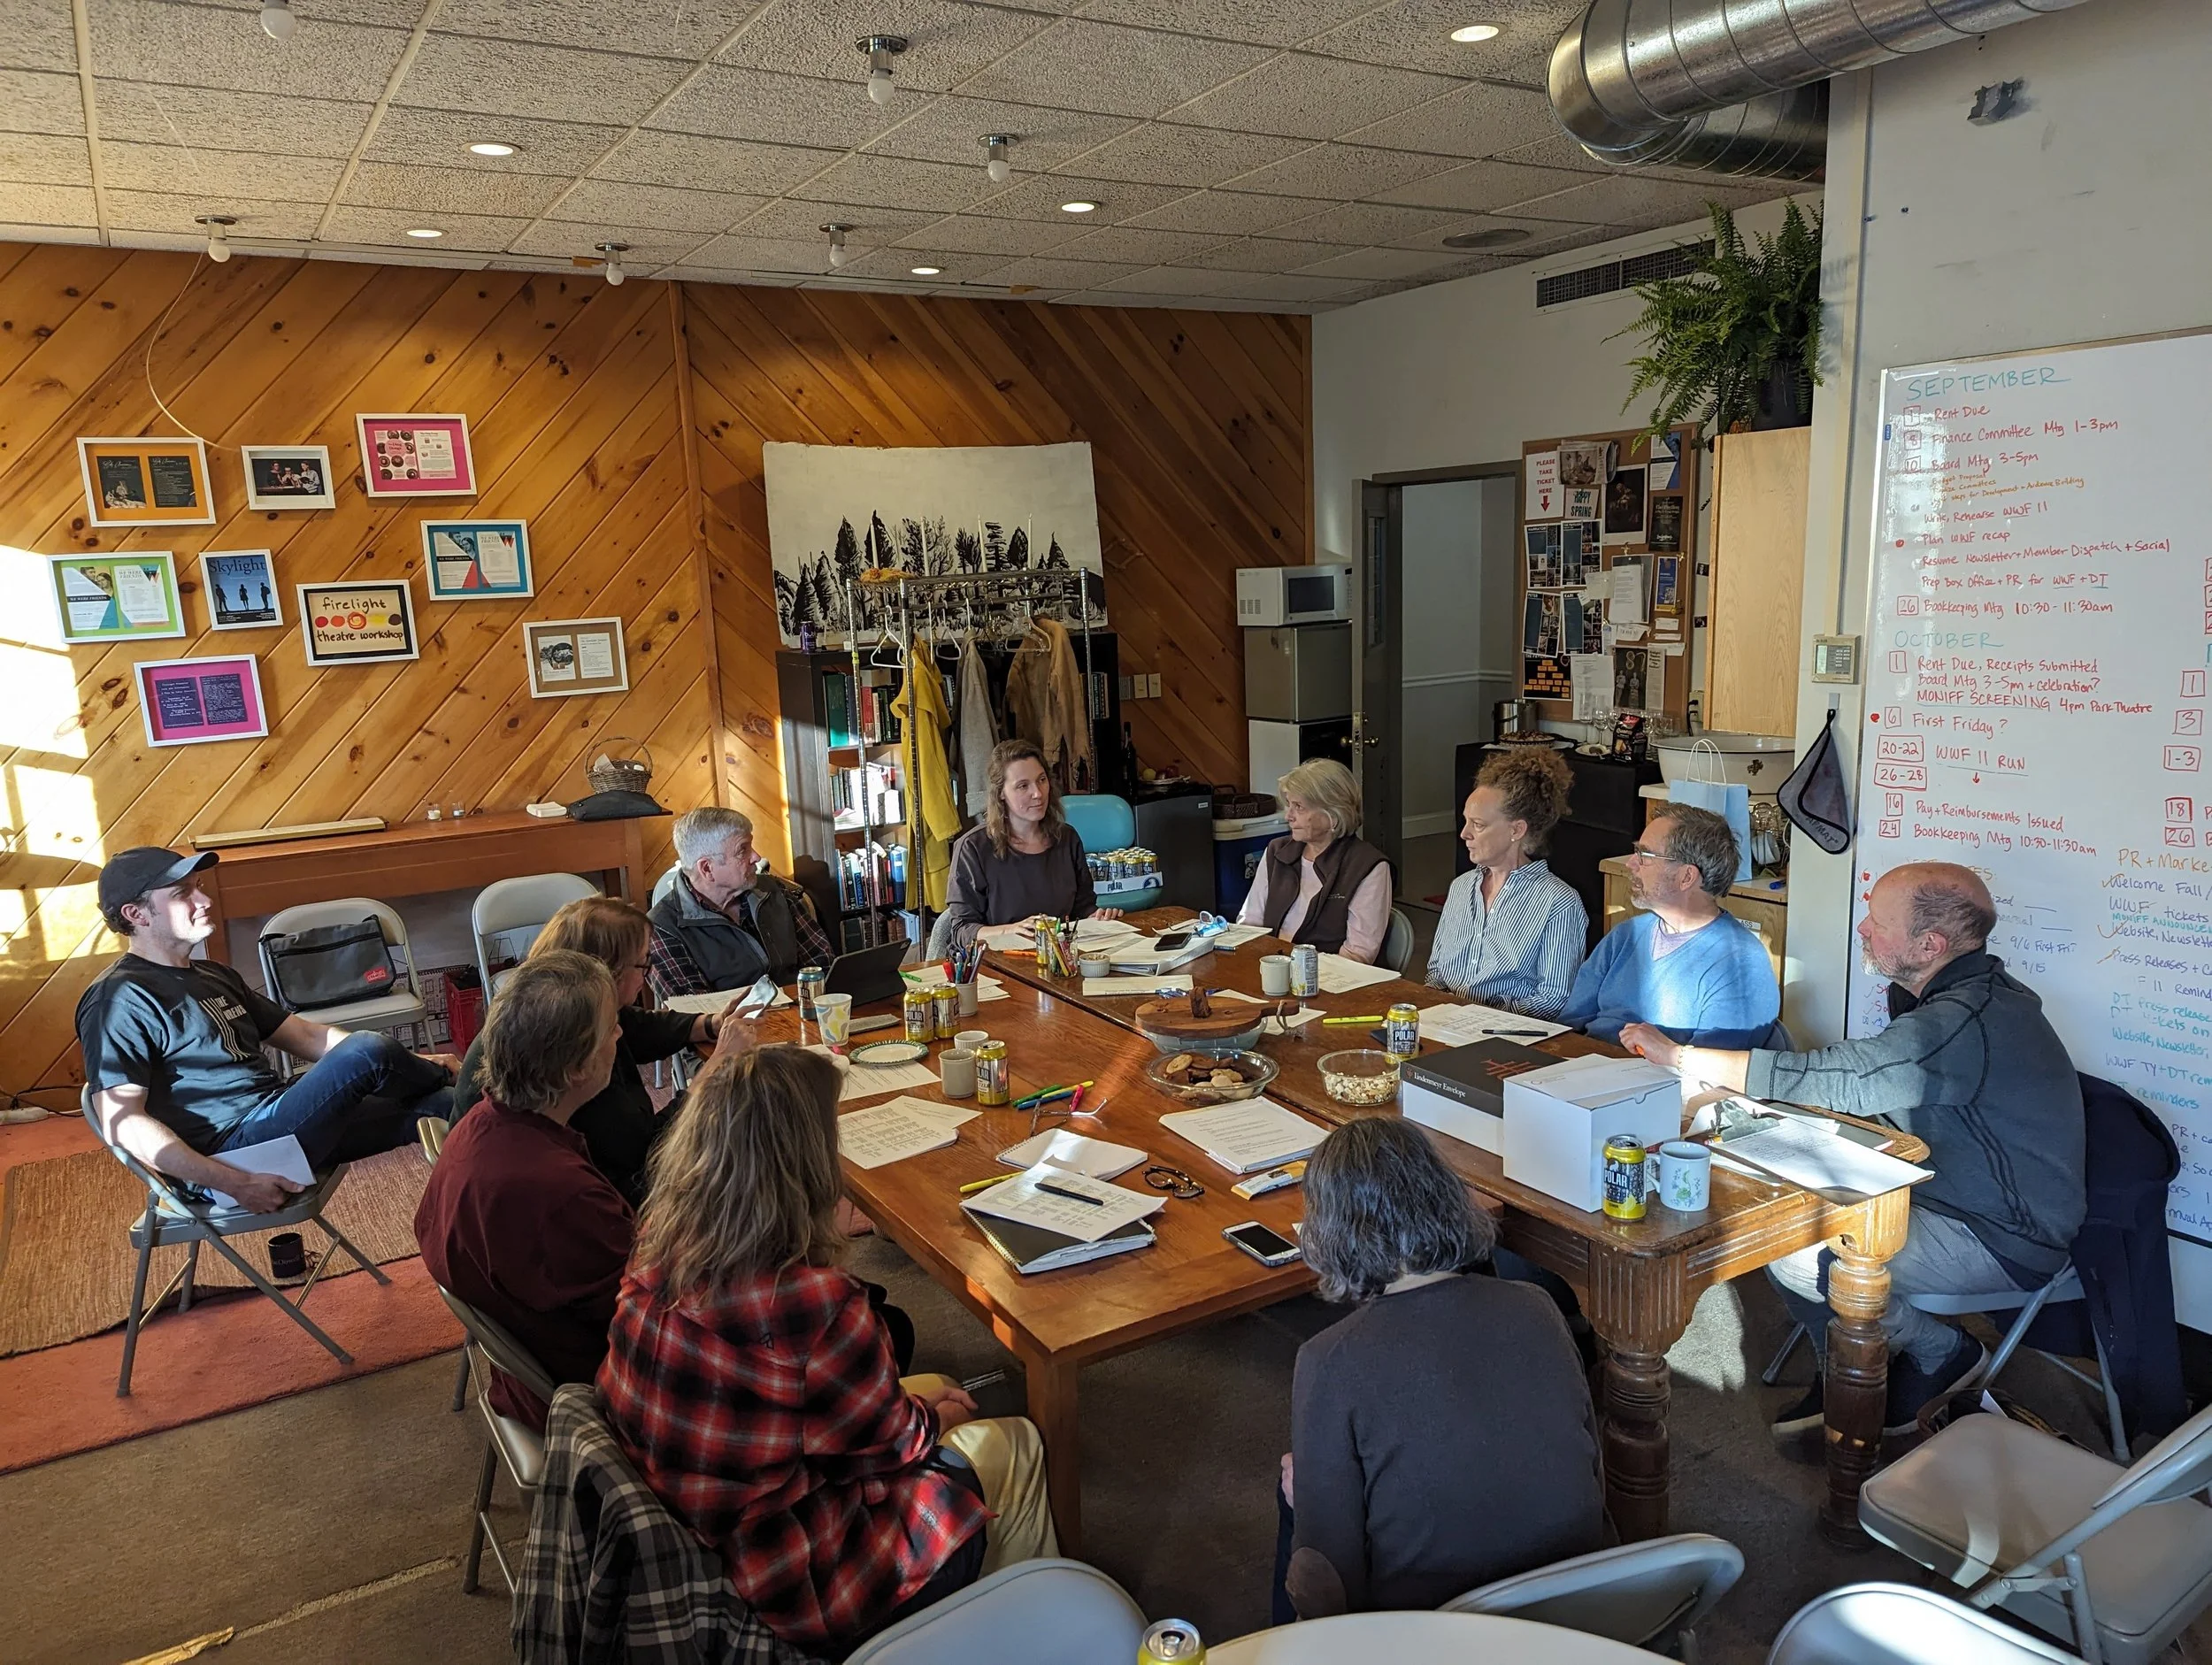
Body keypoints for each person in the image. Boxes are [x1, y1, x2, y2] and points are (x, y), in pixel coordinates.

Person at [598, 1046, 1056, 1653]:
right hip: (798, 1583)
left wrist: (918, 1412)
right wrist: (932, 1421)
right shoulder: (815, 1302)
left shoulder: (657, 1249)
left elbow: (841, 1422)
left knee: (935, 1385)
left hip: (702, 1542)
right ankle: (1020, 1632)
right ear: (808, 1161)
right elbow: (892, 1446)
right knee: (1014, 1442)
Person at [1622, 862, 2088, 1443]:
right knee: (1788, 1192)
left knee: (1799, 1248)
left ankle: (1932, 1349)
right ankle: (1849, 1365)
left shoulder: (1964, 1018)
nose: (1863, 929)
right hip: (1948, 1192)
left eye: (1878, 921)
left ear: (1930, 945)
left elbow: (1843, 1078)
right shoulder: (1964, 994)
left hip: (2001, 1234)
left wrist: (1681, 1058)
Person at [1274, 1118, 1604, 1622]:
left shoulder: (1328, 1359)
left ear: (1329, 1232)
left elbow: (1328, 1588)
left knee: (1296, 1499)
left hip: (1435, 1633)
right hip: (1586, 1605)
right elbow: (1585, 1463)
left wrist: (1310, 1506)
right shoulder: (1537, 1305)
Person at [76, 847, 454, 1213]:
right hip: (233, 1155)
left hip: (278, 1121)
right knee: (368, 1050)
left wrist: (420, 1061)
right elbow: (124, 1124)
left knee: (448, 1104)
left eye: (199, 887)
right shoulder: (118, 1000)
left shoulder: (213, 975)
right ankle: (464, 1073)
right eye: (182, 894)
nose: (204, 901)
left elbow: (307, 1037)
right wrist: (232, 1183)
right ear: (136, 914)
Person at [416, 952, 633, 1432]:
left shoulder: (482, 1122)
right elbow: (648, 1315)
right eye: (611, 1027)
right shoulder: (556, 1191)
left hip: (538, 1357)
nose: (620, 1035)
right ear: (576, 1067)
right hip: (596, 1388)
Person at [453, 896, 750, 1204]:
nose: (648, 975)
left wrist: (708, 1024)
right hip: (593, 1198)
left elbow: (635, 1027)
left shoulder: (555, 1012)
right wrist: (713, 1070)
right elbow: (647, 1152)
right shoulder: (575, 1066)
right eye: (643, 963)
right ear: (607, 970)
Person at [1557, 806, 1778, 1047]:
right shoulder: (1625, 935)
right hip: (1584, 1069)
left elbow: (1712, 1072)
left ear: (1686, 877)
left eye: (1645, 856)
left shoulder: (1741, 963)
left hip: (1662, 1081)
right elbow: (1569, 1028)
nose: (1631, 863)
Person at [1426, 748, 1587, 1017]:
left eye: (1478, 824)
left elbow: (1554, 999)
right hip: (1447, 1024)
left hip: (1508, 1035)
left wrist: (1480, 1017)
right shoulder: (1462, 887)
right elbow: (1436, 973)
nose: (1464, 834)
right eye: (1466, 821)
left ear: (1516, 830)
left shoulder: (1558, 902)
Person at [934, 738, 1122, 953]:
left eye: (1041, 780)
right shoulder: (973, 848)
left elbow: (1082, 907)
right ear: (1001, 793)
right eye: (1023, 786)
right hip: (996, 965)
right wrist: (1009, 931)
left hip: (1057, 959)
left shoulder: (1067, 838)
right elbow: (962, 930)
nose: (1038, 793)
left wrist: (1097, 918)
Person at [649, 807, 835, 995]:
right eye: (742, 850)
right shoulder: (661, 928)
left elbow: (822, 963)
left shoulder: (772, 890)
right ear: (707, 868)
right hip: (734, 1023)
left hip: (804, 1011)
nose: (756, 857)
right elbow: (694, 1011)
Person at [1237, 758, 1393, 963]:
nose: (1288, 816)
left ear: (1333, 815)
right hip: (1272, 969)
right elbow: (1250, 925)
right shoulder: (1277, 851)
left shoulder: (1369, 866)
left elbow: (1357, 956)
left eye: (1299, 807)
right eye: (1289, 805)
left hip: (1330, 982)